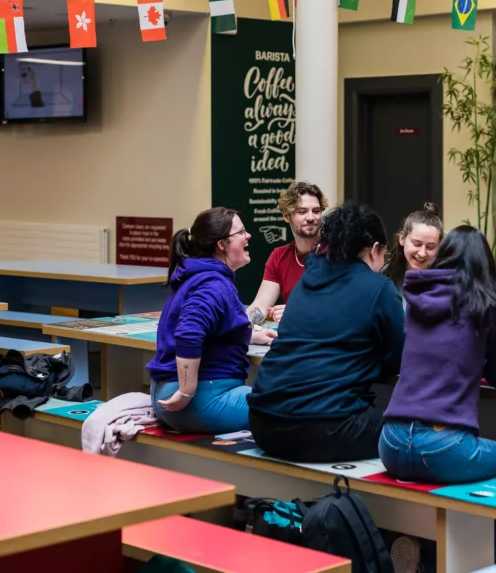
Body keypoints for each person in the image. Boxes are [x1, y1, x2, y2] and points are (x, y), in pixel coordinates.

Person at [380, 226, 496, 563]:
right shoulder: (490, 305)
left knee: (442, 472)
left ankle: (424, 553)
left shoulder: (415, 299)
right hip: (443, 446)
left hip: (390, 441)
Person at [247, 202, 405, 462]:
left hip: (263, 425)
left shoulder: (305, 283)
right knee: (415, 427)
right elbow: (397, 358)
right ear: (375, 249)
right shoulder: (379, 287)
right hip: (321, 429)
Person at [146, 208, 277, 435]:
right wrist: (187, 391)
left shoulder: (200, 275)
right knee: (291, 409)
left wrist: (250, 335)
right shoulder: (213, 284)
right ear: (222, 245)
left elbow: (213, 328)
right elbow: (189, 332)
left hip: (172, 394)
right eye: (241, 232)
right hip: (197, 399)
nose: (249, 236)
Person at [246, 180, 328, 324]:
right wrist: (239, 327)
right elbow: (260, 306)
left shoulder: (338, 251)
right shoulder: (279, 256)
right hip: (294, 340)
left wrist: (297, 311)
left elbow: (346, 306)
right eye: (302, 212)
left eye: (316, 211)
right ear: (286, 216)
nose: (311, 218)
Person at [382, 202, 444, 298]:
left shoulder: (447, 283)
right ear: (402, 239)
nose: (422, 253)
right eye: (417, 244)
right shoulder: (384, 278)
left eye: (430, 247)